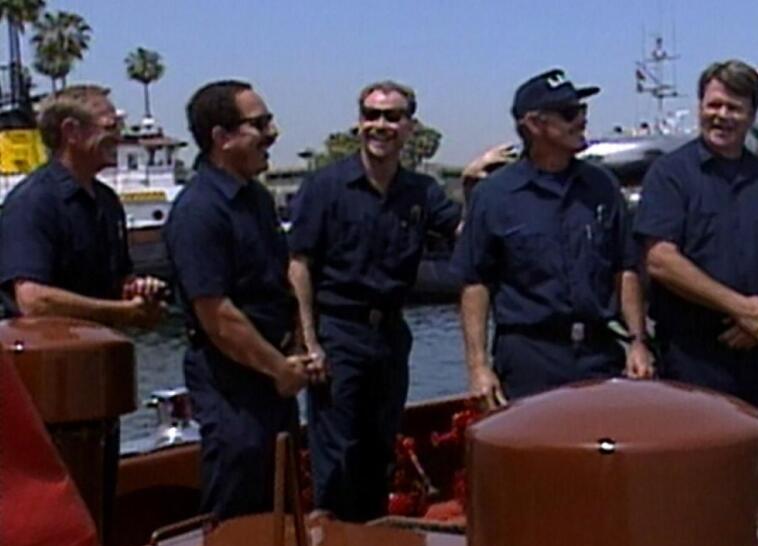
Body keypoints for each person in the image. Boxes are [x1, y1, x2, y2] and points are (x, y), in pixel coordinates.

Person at [633, 59, 758, 546]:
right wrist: (740, 307)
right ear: (699, 106)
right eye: (713, 104)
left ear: (752, 114)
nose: (722, 116)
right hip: (694, 359)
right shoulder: (672, 175)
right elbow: (660, 259)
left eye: (734, 107)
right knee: (698, 478)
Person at [287, 81, 506, 522]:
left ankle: (371, 543)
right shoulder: (325, 187)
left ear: (409, 127)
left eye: (392, 117)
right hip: (339, 332)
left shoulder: (422, 192)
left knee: (379, 451)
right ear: (359, 122)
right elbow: (298, 265)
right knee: (336, 456)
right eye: (371, 115)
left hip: (389, 335)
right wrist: (309, 342)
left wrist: (470, 187)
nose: (380, 125)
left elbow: (467, 240)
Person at [452, 68, 653, 406]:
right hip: (529, 358)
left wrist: (637, 342)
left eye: (582, 110)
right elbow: (475, 282)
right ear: (535, 124)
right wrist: (478, 367)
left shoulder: (602, 187)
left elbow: (625, 268)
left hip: (599, 351)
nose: (582, 120)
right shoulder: (495, 195)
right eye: (570, 113)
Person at [165, 80, 314, 521]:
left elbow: (279, 284)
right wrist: (280, 369)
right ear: (222, 137)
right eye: (260, 124)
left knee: (278, 498)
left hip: (272, 379)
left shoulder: (257, 200)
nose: (273, 133)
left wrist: (297, 350)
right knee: (239, 497)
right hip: (231, 385)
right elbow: (216, 315)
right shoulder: (199, 211)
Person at [0, 84, 165, 326]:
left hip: (103, 347)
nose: (119, 137)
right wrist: (123, 313)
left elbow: (116, 279)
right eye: (110, 127)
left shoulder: (107, 201)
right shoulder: (33, 202)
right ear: (71, 131)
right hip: (50, 349)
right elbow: (33, 301)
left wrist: (138, 289)